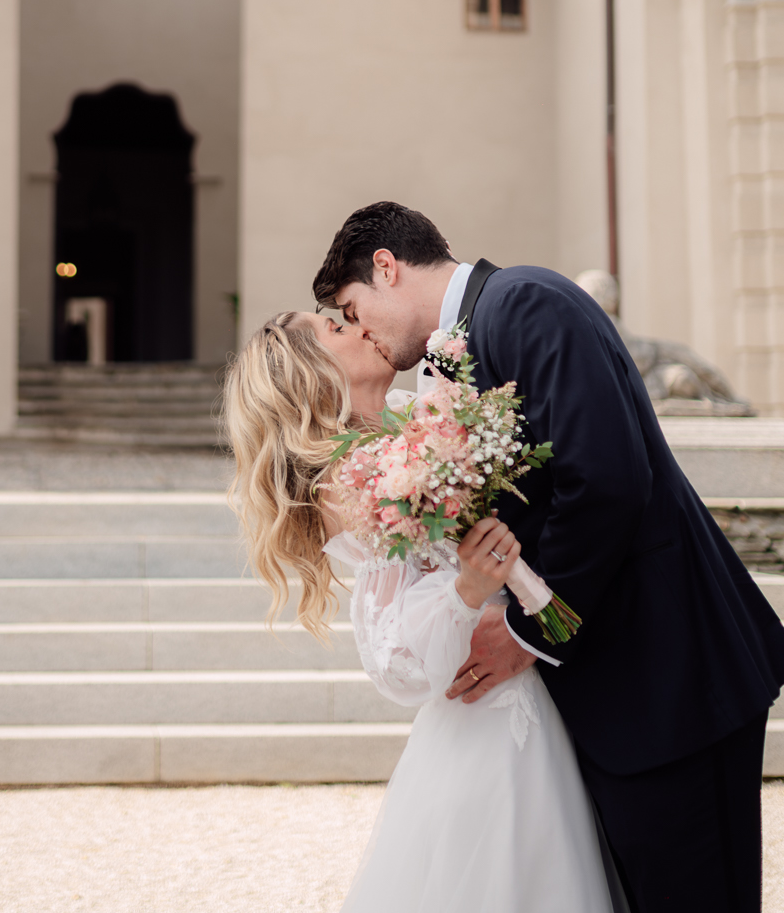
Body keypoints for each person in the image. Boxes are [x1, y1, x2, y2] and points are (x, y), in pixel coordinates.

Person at [313, 202, 784, 913]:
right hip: (620, 690)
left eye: (356, 309)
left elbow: (605, 479)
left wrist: (523, 630)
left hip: (670, 675)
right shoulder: (471, 341)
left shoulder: (526, 303)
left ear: (386, 267)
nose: (362, 332)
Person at [224, 313, 621, 912]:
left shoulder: (416, 419)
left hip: (547, 670)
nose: (360, 328)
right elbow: (395, 661)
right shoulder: (344, 481)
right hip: (489, 708)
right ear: (312, 372)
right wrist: (467, 590)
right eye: (336, 328)